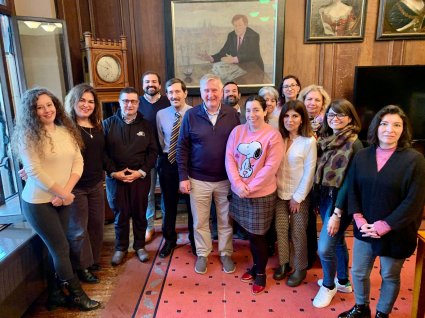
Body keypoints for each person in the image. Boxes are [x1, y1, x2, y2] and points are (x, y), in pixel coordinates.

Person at [13, 88, 100, 311]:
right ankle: (77, 296)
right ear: (32, 112)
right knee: (61, 248)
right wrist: (63, 194)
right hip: (39, 202)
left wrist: (66, 193)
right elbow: (34, 171)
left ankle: (54, 294)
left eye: (49, 105)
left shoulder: (66, 130)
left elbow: (78, 163)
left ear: (56, 105)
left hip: (62, 200)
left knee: (58, 248)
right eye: (39, 107)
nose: (46, 110)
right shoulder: (27, 135)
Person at [338, 105, 425, 318]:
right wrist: (358, 219)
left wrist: (383, 226)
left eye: (397, 125)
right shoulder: (362, 156)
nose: (390, 129)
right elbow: (353, 190)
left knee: (389, 275)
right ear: (376, 127)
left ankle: (382, 313)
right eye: (384, 124)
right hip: (364, 228)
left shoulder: (415, 160)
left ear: (403, 129)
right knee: (358, 272)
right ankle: (361, 308)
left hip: (396, 231)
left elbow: (414, 201)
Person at [177, 74, 240, 275]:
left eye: (214, 90)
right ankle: (203, 253)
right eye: (206, 90)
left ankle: (225, 253)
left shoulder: (232, 114)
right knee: (200, 220)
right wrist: (183, 177)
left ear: (221, 92)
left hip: (225, 180)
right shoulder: (191, 115)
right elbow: (182, 147)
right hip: (197, 179)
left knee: (225, 220)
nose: (210, 94)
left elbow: (238, 147)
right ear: (201, 92)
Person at [225, 95, 284, 294]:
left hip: (261, 194)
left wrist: (249, 188)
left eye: (256, 110)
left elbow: (270, 167)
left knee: (258, 235)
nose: (252, 114)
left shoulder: (273, 135)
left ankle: (260, 273)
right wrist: (238, 184)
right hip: (239, 192)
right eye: (248, 110)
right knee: (249, 233)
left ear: (265, 111)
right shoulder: (237, 131)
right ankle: (256, 266)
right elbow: (230, 158)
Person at [312, 99, 363, 308]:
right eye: (331, 115)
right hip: (325, 197)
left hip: (340, 202)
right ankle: (342, 281)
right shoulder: (327, 139)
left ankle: (328, 285)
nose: (335, 119)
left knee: (325, 247)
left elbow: (349, 182)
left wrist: (337, 213)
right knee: (338, 240)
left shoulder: (355, 143)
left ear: (350, 118)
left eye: (340, 115)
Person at [104, 87, 158, 266]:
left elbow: (152, 152)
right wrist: (114, 172)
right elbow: (103, 153)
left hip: (140, 177)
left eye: (133, 101)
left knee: (140, 213)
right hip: (115, 178)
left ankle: (140, 246)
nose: (129, 104)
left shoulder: (147, 124)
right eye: (125, 101)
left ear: (138, 103)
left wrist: (141, 172)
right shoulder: (108, 124)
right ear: (119, 103)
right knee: (120, 215)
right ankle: (120, 248)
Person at [64, 84, 106, 283]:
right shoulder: (65, 128)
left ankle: (93, 261)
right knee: (79, 230)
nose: (86, 105)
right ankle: (82, 267)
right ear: (73, 101)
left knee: (97, 225)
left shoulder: (98, 126)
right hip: (76, 187)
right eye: (82, 100)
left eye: (90, 101)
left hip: (96, 183)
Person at [273, 100, 317, 287]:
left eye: (295, 116)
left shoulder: (309, 141)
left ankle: (300, 267)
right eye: (286, 116)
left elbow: (309, 173)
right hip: (278, 192)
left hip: (299, 196)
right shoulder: (278, 138)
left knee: (298, 231)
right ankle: (284, 263)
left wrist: (297, 198)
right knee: (281, 229)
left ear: (302, 119)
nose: (290, 120)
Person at [156, 78, 196, 257]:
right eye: (170, 92)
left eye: (177, 91)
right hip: (168, 162)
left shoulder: (195, 113)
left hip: (190, 164)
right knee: (168, 204)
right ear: (166, 94)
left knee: (192, 206)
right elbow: (161, 140)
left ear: (185, 93)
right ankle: (169, 241)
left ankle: (195, 241)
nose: (174, 96)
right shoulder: (161, 114)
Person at [298, 84, 331, 268]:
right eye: (309, 99)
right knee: (306, 220)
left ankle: (321, 257)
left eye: (317, 99)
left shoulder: (328, 125)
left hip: (322, 178)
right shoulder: (298, 122)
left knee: (321, 218)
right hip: (302, 177)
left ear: (323, 103)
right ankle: (306, 255)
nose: (312, 103)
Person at [138, 71, 170, 243]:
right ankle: (149, 227)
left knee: (166, 192)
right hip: (144, 158)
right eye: (147, 81)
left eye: (154, 81)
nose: (150, 84)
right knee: (148, 194)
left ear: (159, 85)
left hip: (164, 155)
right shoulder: (138, 103)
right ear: (143, 85)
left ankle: (166, 227)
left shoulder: (167, 102)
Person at [198, 14, 264, 71]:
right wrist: (211, 58)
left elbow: (250, 55)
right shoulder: (231, 35)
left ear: (246, 25)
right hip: (239, 69)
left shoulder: (254, 36)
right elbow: (224, 52)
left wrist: (233, 59)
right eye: (235, 26)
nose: (237, 28)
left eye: (240, 25)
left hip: (254, 69)